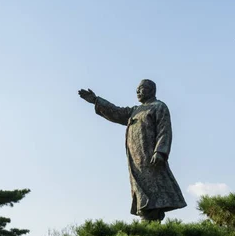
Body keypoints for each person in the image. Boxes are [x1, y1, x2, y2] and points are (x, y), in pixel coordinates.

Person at [78, 79, 187, 221]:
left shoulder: (158, 107)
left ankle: (151, 224)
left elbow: (164, 130)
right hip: (136, 161)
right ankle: (147, 221)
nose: (137, 91)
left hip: (151, 158)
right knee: (142, 194)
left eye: (141, 88)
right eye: (137, 89)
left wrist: (160, 151)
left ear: (151, 90)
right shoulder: (135, 111)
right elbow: (116, 112)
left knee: (155, 193)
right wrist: (96, 100)